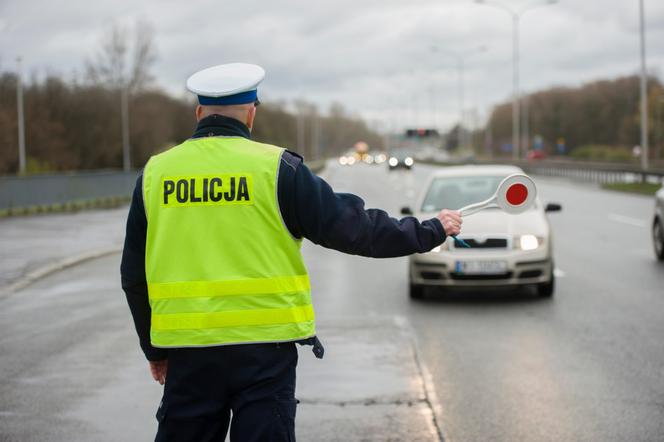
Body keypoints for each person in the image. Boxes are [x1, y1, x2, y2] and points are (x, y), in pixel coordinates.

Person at [120, 62, 462, 442]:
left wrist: (154, 350)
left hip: (189, 354)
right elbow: (356, 229)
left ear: (199, 112)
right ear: (251, 113)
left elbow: (134, 275)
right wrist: (430, 230)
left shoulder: (156, 174)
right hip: (265, 354)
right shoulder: (277, 168)